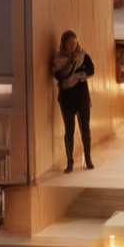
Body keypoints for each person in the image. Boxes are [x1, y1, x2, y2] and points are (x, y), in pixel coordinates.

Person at [51, 30, 95, 172]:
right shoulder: (58, 59)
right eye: (69, 43)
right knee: (69, 130)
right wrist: (70, 64)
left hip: (82, 96)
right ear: (63, 44)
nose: (72, 46)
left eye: (74, 43)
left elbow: (91, 70)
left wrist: (76, 76)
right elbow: (59, 76)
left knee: (85, 128)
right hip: (66, 98)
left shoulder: (82, 55)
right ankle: (69, 161)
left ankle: (88, 158)